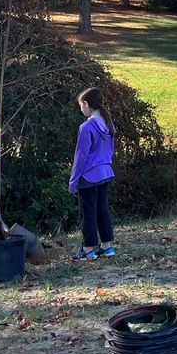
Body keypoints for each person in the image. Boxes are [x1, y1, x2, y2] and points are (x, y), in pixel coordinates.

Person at [69, 87, 116, 260]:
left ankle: (88, 249)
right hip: (105, 172)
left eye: (81, 105)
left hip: (88, 176)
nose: (81, 109)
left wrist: (73, 181)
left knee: (87, 213)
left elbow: (80, 156)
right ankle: (107, 246)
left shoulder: (86, 127)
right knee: (102, 209)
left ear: (86, 104)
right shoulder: (108, 123)